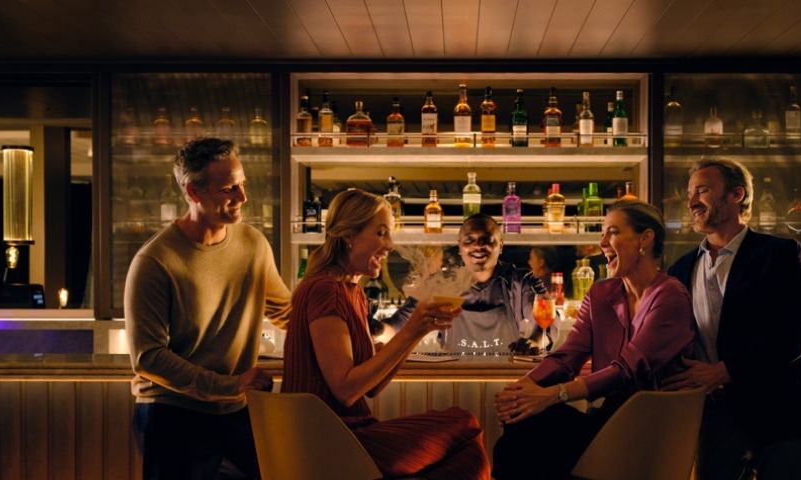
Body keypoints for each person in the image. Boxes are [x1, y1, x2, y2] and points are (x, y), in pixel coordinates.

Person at [281, 189, 490, 480]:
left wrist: (419, 330)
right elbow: (346, 389)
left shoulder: (352, 292)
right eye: (381, 233)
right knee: (464, 424)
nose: (390, 245)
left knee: (462, 456)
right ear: (349, 235)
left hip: (344, 435)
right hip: (328, 442)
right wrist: (411, 330)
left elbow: (372, 387)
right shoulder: (324, 290)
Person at [492, 200, 697, 480]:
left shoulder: (670, 296)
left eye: (612, 232)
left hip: (651, 428)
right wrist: (524, 387)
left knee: (525, 440)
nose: (602, 242)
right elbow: (569, 355)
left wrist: (553, 394)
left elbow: (627, 370)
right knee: (522, 420)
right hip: (608, 420)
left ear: (645, 238)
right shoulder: (601, 293)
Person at [125, 138, 291, 479]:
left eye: (243, 184)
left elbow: (287, 312)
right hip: (173, 413)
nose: (243, 198)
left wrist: (353, 332)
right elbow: (148, 357)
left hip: (234, 408)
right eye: (229, 189)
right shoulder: (155, 261)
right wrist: (230, 384)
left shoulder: (253, 244)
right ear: (193, 192)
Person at [663, 158, 801, 480]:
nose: (692, 201)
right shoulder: (681, 269)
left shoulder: (780, 254)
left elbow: (791, 336)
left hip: (782, 413)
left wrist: (723, 371)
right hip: (717, 419)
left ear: (736, 195)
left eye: (703, 190)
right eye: (691, 192)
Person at [387, 213, 547, 355]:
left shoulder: (522, 281)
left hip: (506, 377)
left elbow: (548, 319)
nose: (477, 246)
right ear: (459, 247)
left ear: (501, 245)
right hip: (453, 378)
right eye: (469, 240)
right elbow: (398, 324)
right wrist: (376, 330)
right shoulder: (440, 283)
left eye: (487, 240)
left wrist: (535, 340)